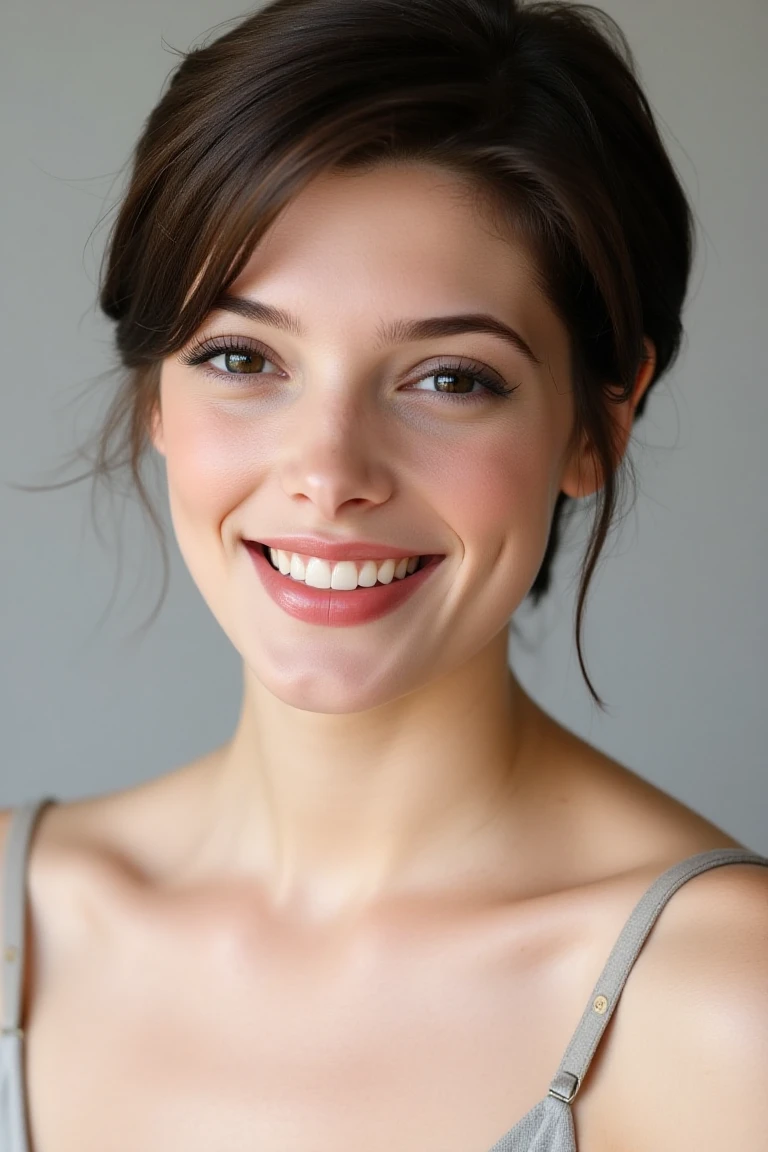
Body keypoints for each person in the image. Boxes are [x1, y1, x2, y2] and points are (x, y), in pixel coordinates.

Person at [2, 0, 767, 1149]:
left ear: (598, 423)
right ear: (158, 395)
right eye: (243, 357)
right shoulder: (14, 920)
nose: (329, 473)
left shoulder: (729, 1009)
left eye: (450, 378)